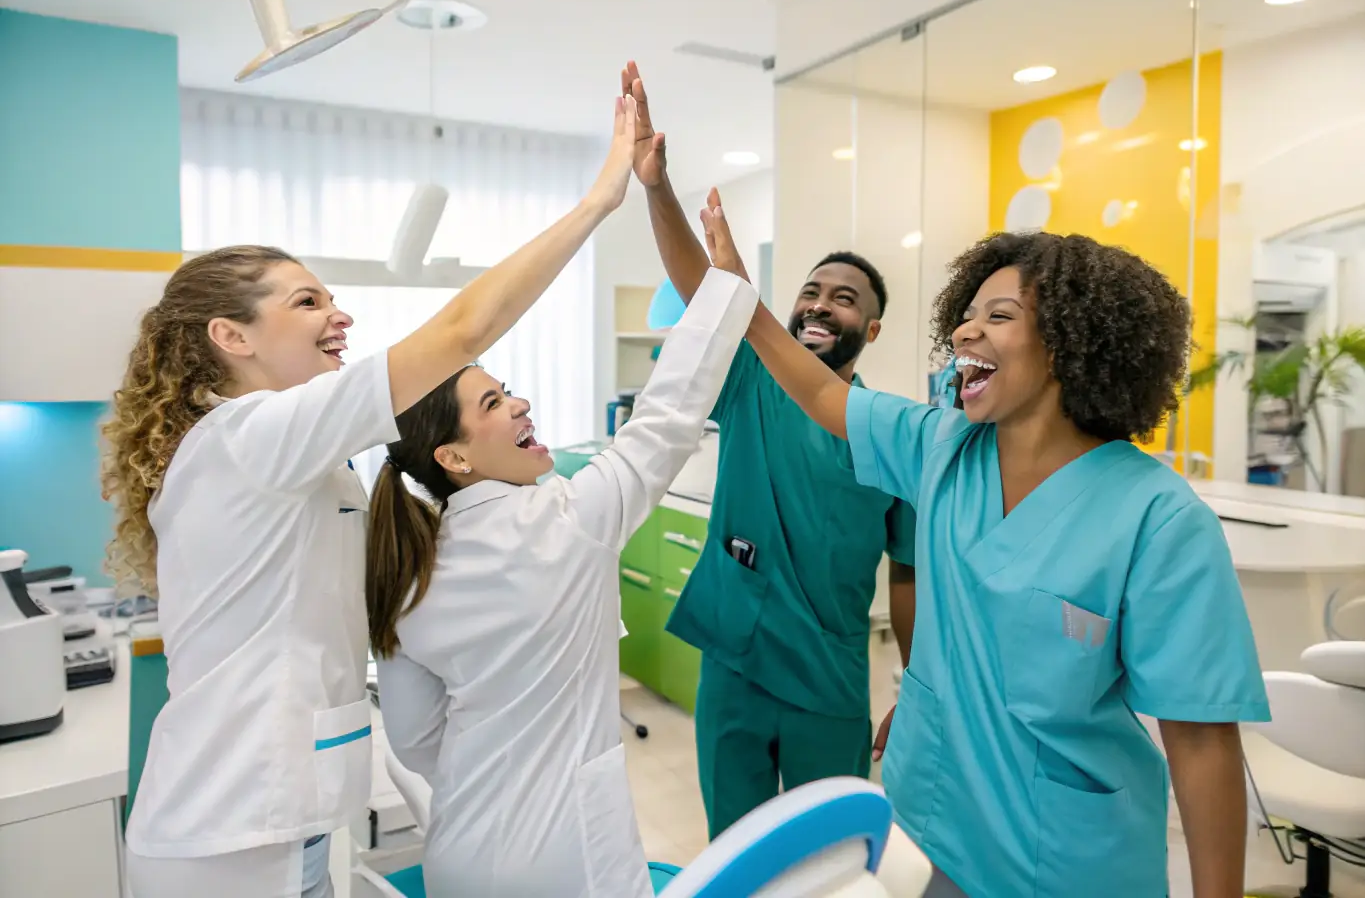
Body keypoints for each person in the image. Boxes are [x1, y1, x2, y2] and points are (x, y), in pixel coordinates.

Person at [105, 96, 642, 898]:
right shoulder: (247, 436)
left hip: (277, 821)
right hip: (228, 833)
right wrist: (598, 200)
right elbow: (458, 336)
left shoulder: (296, 457)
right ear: (231, 336)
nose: (339, 315)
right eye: (307, 302)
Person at [696, 199, 1270, 898]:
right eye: (966, 315)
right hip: (921, 826)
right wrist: (743, 298)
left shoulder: (1160, 520)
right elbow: (817, 388)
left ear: (1071, 341)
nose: (965, 329)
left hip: (1064, 862)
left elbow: (1202, 740)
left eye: (998, 316)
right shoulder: (939, 448)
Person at [368, 265, 757, 898]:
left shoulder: (407, 570)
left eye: (506, 391)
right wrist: (725, 287)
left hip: (459, 855)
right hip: (569, 860)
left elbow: (414, 742)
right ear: (454, 457)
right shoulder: (569, 520)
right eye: (493, 404)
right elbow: (666, 417)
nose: (519, 403)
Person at [622, 62, 917, 839]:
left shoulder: (888, 431)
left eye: (843, 299)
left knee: (826, 857)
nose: (818, 305)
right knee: (736, 848)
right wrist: (656, 188)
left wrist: (914, 684)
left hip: (827, 677)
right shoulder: (753, 378)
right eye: (810, 292)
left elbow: (908, 574)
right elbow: (705, 292)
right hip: (735, 663)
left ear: (871, 330)